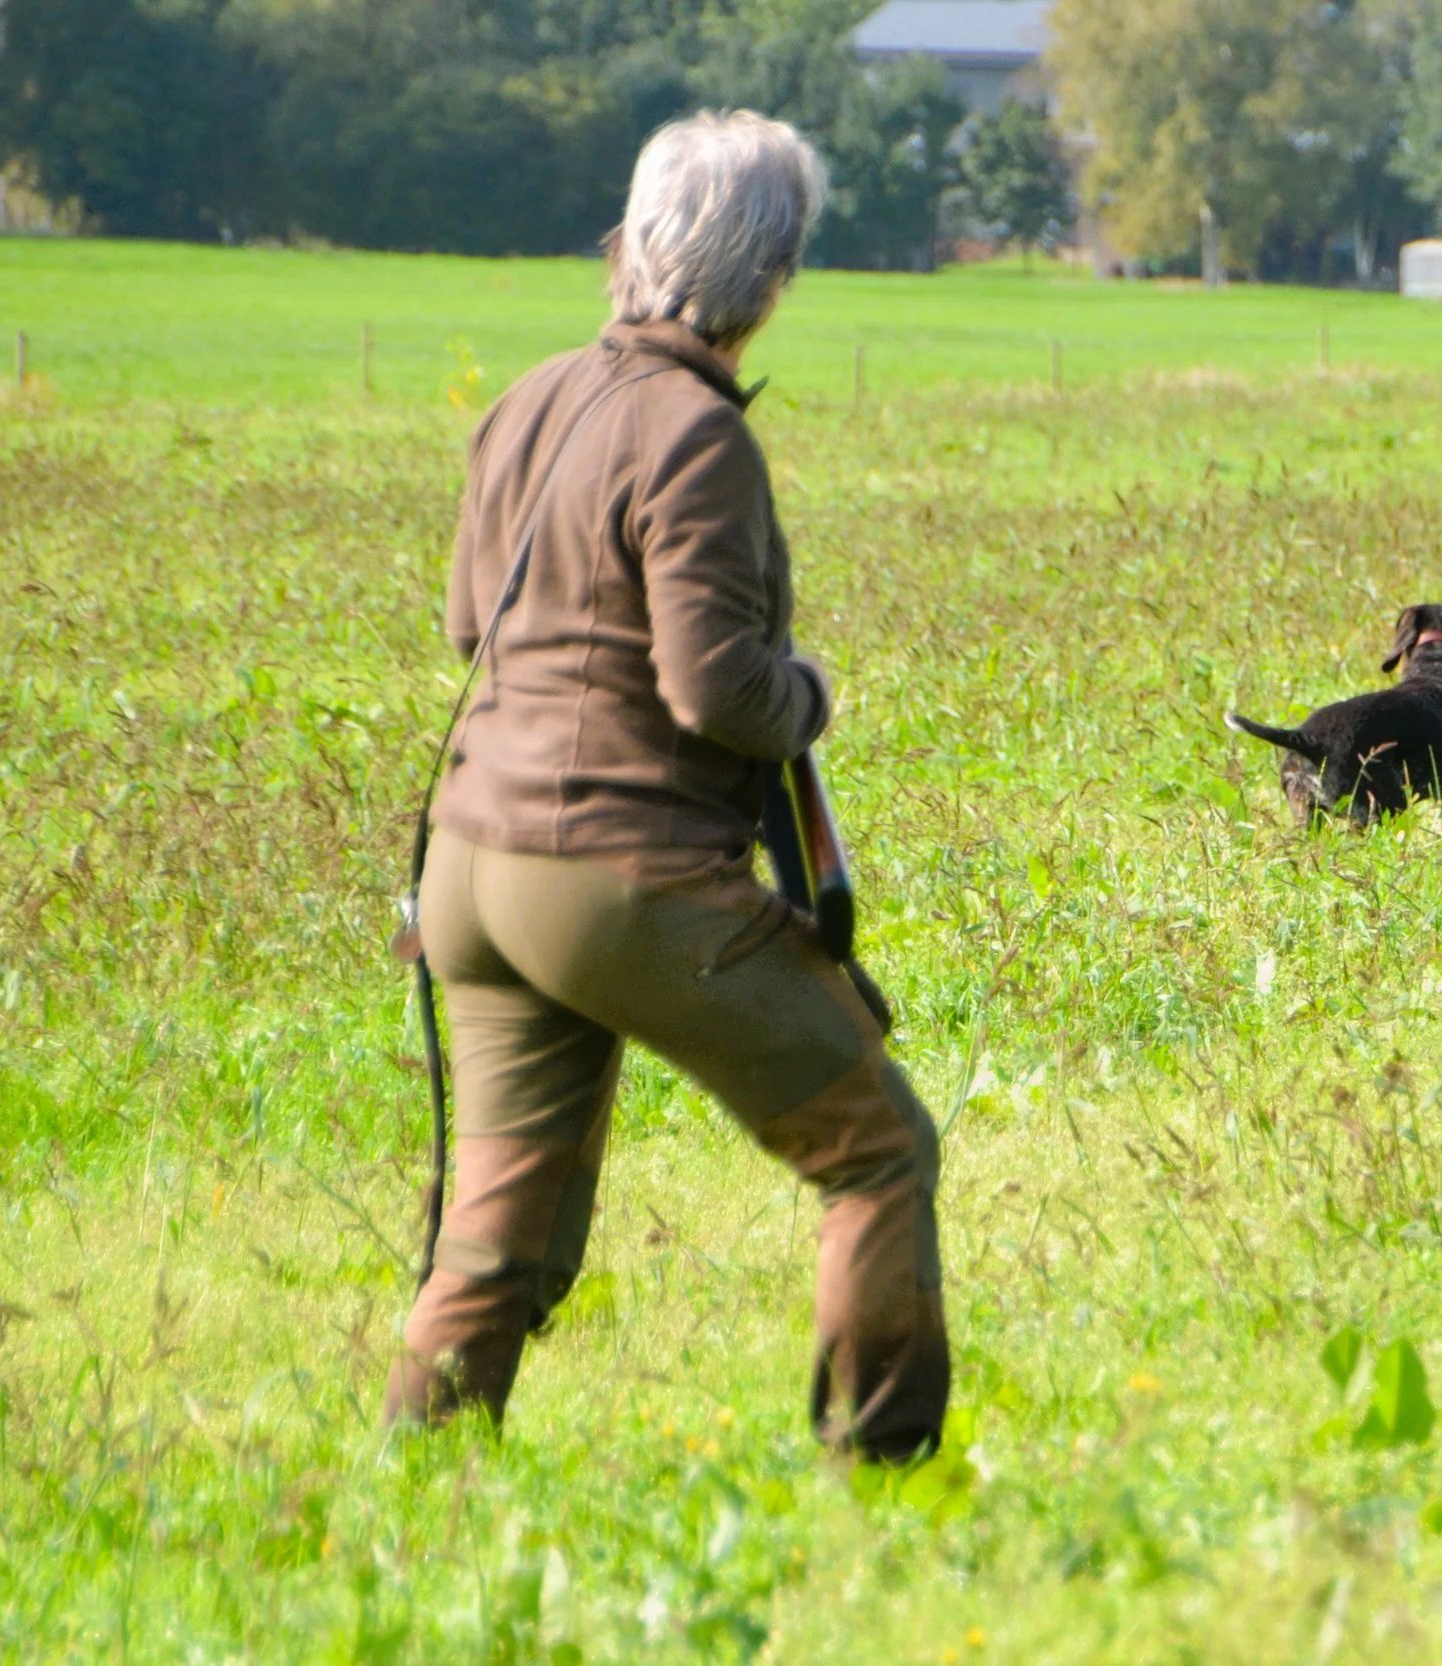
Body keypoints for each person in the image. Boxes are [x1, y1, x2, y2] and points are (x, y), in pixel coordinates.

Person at [384, 111, 948, 1462]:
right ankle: (885, 1477)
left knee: (493, 1237)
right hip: (613, 880)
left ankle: (412, 1494)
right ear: (771, 273)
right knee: (881, 1148)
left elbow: (469, 627)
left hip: (468, 869)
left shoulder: (530, 398)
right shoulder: (697, 433)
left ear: (632, 240)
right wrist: (809, 693)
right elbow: (716, 691)